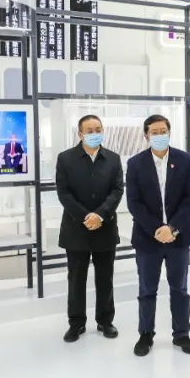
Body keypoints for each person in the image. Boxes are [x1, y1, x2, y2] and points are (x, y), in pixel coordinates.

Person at [126, 115, 190, 356]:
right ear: (146, 135)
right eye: (154, 132)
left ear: (169, 132)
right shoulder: (135, 163)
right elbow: (134, 203)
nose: (159, 136)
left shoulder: (185, 161)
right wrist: (157, 229)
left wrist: (172, 228)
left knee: (180, 288)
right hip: (147, 239)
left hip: (178, 238)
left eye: (163, 131)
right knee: (147, 289)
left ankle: (181, 334)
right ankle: (146, 334)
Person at [56, 115, 124, 343]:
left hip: (105, 227)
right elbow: (64, 193)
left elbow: (117, 190)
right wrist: (86, 216)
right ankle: (76, 323)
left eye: (98, 129)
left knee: (105, 278)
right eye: (90, 130)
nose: (95, 133)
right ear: (80, 134)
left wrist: (100, 215)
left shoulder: (113, 159)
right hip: (76, 228)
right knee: (76, 279)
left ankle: (105, 321)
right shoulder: (66, 158)